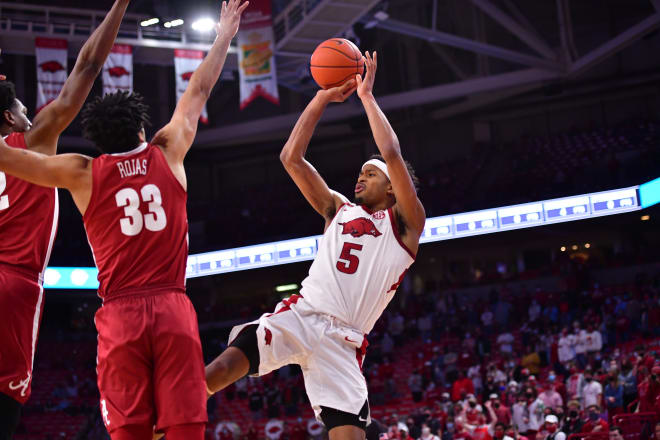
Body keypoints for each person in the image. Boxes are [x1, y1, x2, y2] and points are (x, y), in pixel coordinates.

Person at [0, 1, 249, 438]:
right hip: (171, 305)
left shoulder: (81, 172)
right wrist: (224, 34)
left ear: (96, 140)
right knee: (185, 426)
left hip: (119, 314)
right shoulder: (168, 151)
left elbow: (8, 157)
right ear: (142, 129)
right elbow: (198, 91)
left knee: (129, 431)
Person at [204, 51, 425, 440]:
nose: (360, 178)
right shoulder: (337, 208)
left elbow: (392, 153)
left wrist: (367, 97)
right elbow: (291, 157)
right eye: (360, 172)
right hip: (300, 316)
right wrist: (321, 98)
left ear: (392, 187)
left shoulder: (405, 226)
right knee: (218, 372)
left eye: (370, 175)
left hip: (344, 343)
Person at [0, 2, 129, 438]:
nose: (25, 111)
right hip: (13, 284)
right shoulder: (32, 141)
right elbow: (89, 66)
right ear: (7, 119)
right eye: (19, 107)